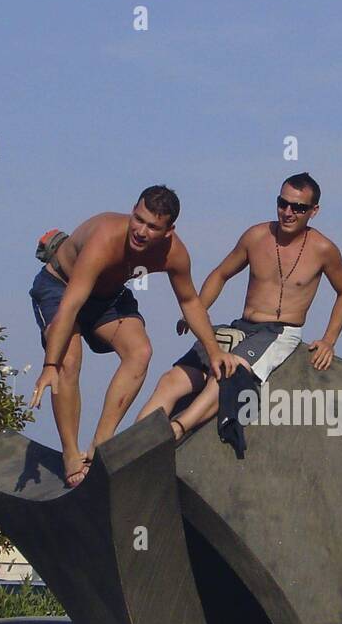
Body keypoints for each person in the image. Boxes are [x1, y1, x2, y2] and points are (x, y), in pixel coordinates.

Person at [28, 185, 244, 486]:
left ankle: (100, 447)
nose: (141, 231)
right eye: (138, 219)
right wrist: (50, 365)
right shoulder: (105, 237)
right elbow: (72, 303)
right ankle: (72, 457)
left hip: (107, 296)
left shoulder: (174, 253)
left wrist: (214, 351)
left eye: (153, 227)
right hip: (61, 287)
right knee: (69, 359)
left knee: (140, 352)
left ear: (169, 230)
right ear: (133, 210)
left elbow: (190, 301)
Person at [135, 173, 342, 438]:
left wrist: (329, 339)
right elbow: (220, 274)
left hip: (278, 332)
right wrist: (198, 310)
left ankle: (176, 431)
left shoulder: (324, 249)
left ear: (313, 211)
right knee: (171, 379)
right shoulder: (256, 236)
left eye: (298, 208)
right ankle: (130, 447)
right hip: (240, 327)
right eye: (282, 203)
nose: (288, 212)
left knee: (228, 374)